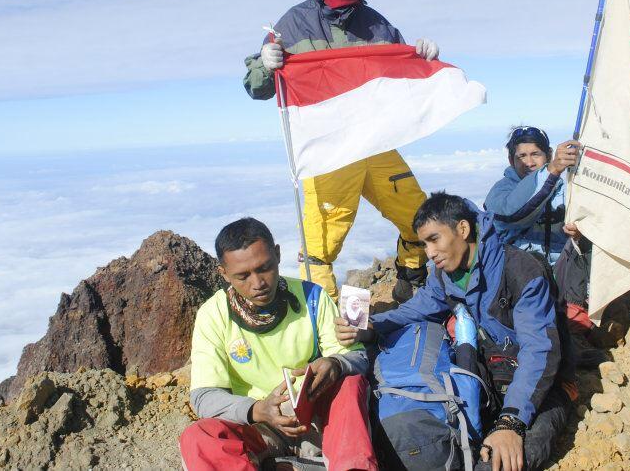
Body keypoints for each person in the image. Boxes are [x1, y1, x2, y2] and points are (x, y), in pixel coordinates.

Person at [243, 0, 438, 303]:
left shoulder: (376, 25)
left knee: (418, 215)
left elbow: (399, 72)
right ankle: (325, 322)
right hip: (329, 150)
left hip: (375, 143)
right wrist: (265, 66)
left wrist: (421, 56)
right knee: (320, 246)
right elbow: (257, 87)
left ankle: (410, 278)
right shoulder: (296, 23)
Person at [337, 193, 574, 471]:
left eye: (434, 239)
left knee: (505, 459)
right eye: (424, 243)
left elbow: (539, 351)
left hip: (543, 384)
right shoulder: (446, 276)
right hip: (491, 374)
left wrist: (511, 422)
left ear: (463, 229)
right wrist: (371, 326)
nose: (429, 252)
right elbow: (414, 310)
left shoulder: (521, 271)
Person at [179, 218, 377, 471]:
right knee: (199, 436)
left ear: (278, 254)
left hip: (319, 421)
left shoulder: (312, 297)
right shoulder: (213, 314)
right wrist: (257, 410)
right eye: (243, 276)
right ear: (224, 274)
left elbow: (357, 357)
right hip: (259, 428)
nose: (258, 283)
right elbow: (204, 396)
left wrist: (336, 363)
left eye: (265, 268)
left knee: (350, 384)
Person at [484, 126, 582, 267]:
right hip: (519, 274)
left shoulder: (568, 189)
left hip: (563, 272)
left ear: (548, 154)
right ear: (511, 160)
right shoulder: (500, 192)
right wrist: (551, 170)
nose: (529, 163)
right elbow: (510, 212)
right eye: (521, 156)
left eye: (535, 154)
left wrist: (580, 233)